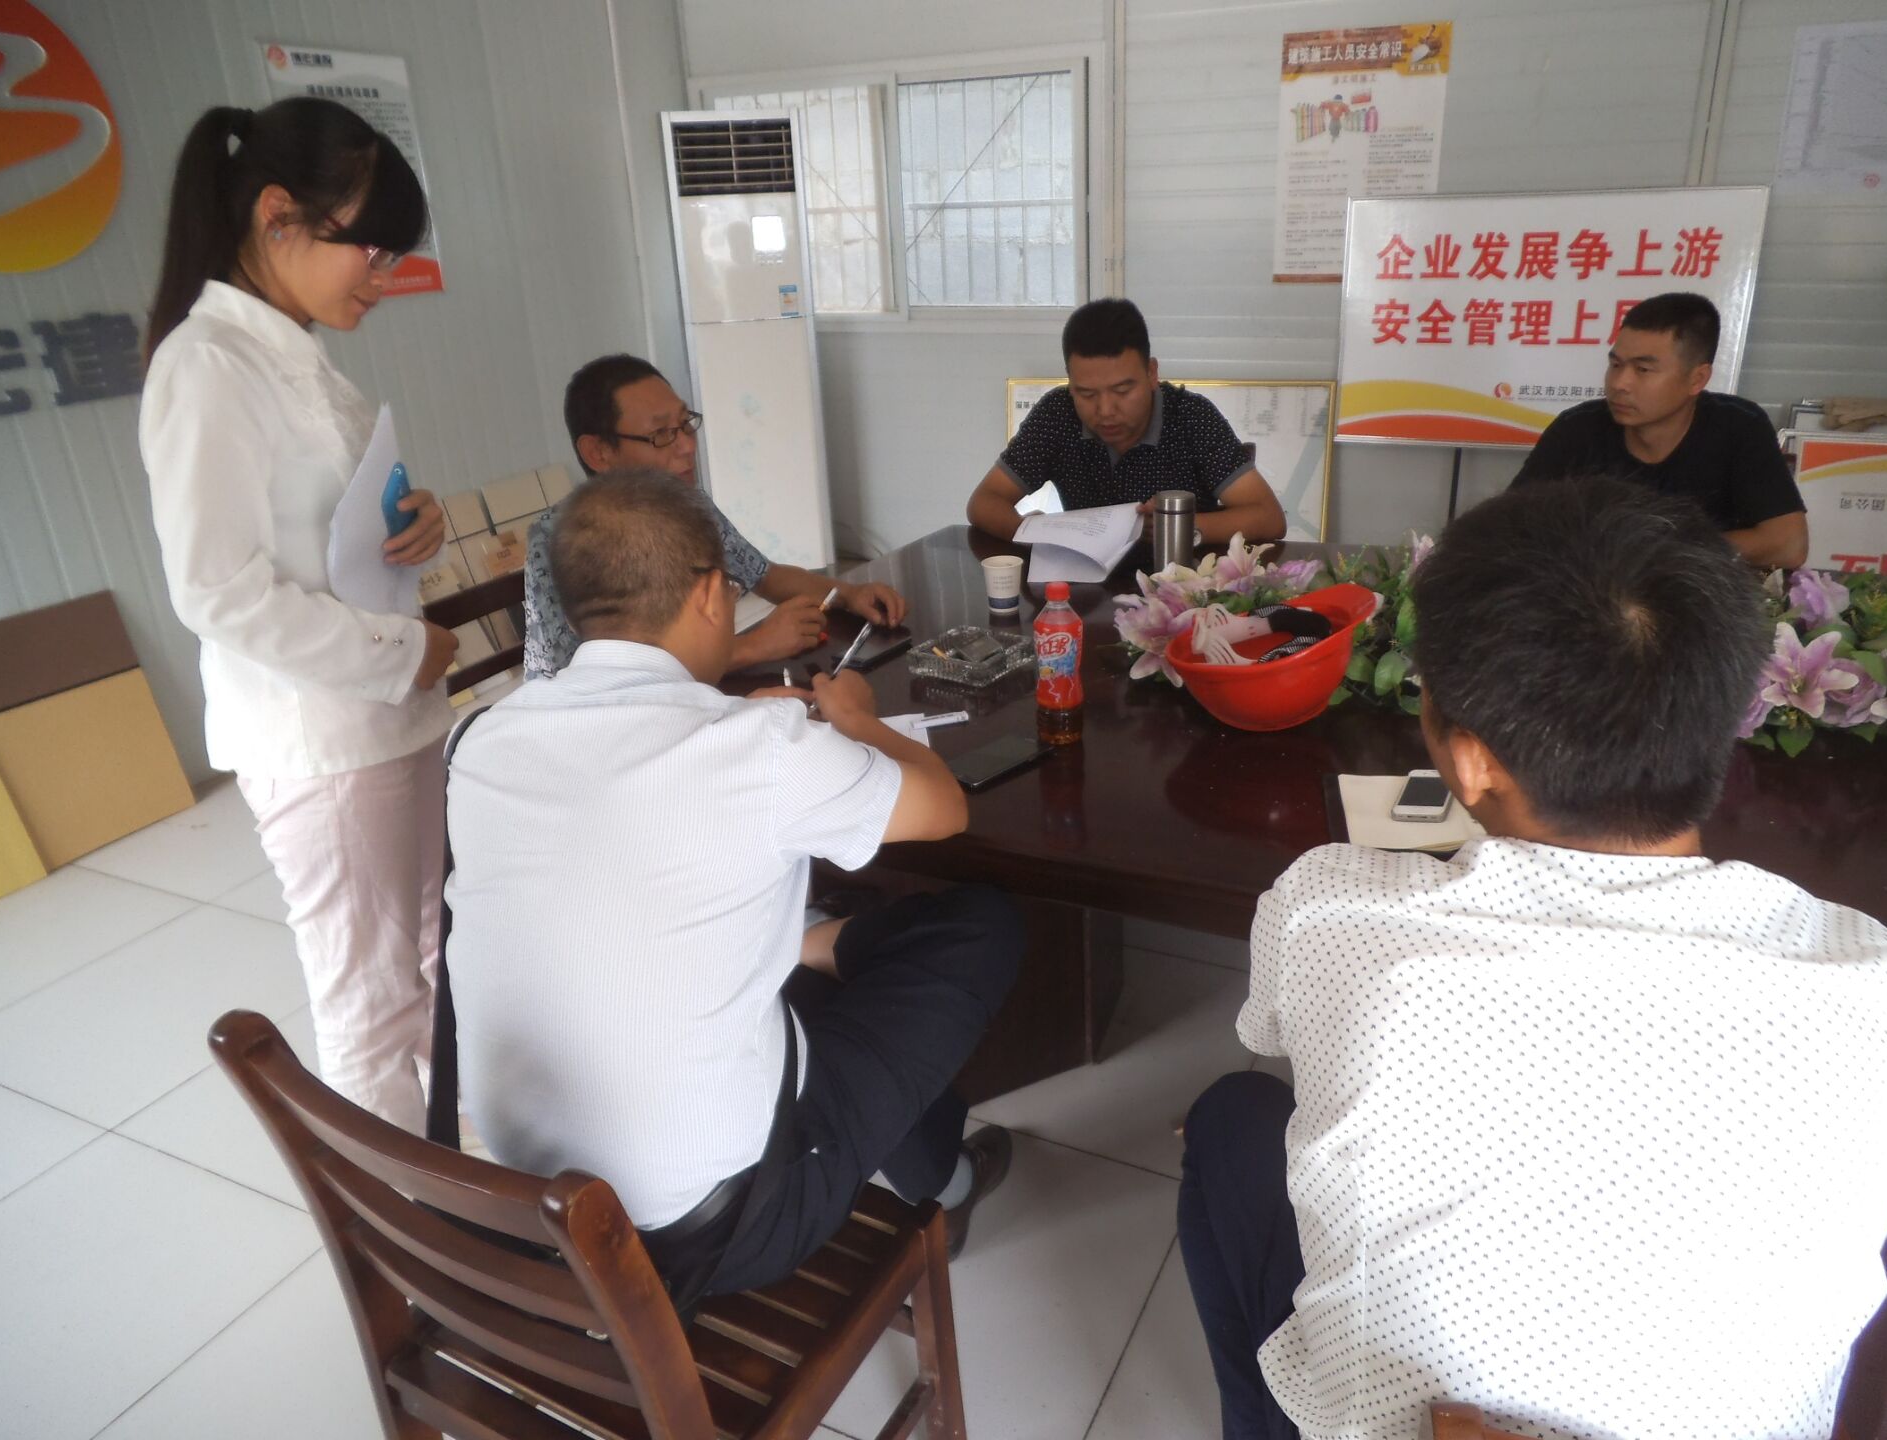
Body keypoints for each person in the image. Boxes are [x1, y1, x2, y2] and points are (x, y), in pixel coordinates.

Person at [1177, 478, 1887, 1440]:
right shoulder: (1886, 988)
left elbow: (1271, 1029)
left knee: (1234, 1115)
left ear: (1472, 760)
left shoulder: (1332, 909)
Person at [446, 469, 1024, 1301]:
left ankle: (822, 965)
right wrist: (856, 720)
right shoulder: (760, 747)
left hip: (532, 1203)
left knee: (779, 981)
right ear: (712, 594)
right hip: (718, 1229)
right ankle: (943, 1172)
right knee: (982, 926)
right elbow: (943, 809)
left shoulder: (478, 740)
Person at [139, 98, 459, 1130]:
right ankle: (402, 1222)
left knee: (428, 956)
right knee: (370, 1000)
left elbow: (324, 526)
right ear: (279, 213)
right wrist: (400, 650)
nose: (383, 277)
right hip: (321, 740)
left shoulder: (292, 352)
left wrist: (415, 523)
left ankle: (453, 1164)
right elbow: (217, 589)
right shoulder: (206, 366)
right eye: (371, 248)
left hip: (384, 718)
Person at [523, 354, 906, 680]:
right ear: (599, 453)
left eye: (685, 424)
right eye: (661, 434)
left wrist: (847, 595)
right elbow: (575, 678)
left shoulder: (687, 504)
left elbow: (765, 575)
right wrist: (753, 646)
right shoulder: (560, 539)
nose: (687, 446)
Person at [1510, 291, 1808, 568]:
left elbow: (1789, 545)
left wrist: (1657, 551)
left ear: (1697, 379)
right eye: (1616, 365)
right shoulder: (1576, 429)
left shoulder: (1739, 426)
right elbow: (1508, 528)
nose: (1619, 384)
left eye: (1643, 369)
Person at [966, 298, 1289, 543]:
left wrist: (1175, 526)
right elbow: (984, 501)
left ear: (1151, 373)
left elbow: (1269, 518)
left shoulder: (1191, 417)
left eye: (1122, 390)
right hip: (1086, 585)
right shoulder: (1058, 414)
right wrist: (1030, 532)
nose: (1106, 410)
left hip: (1178, 584)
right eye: (1087, 393)